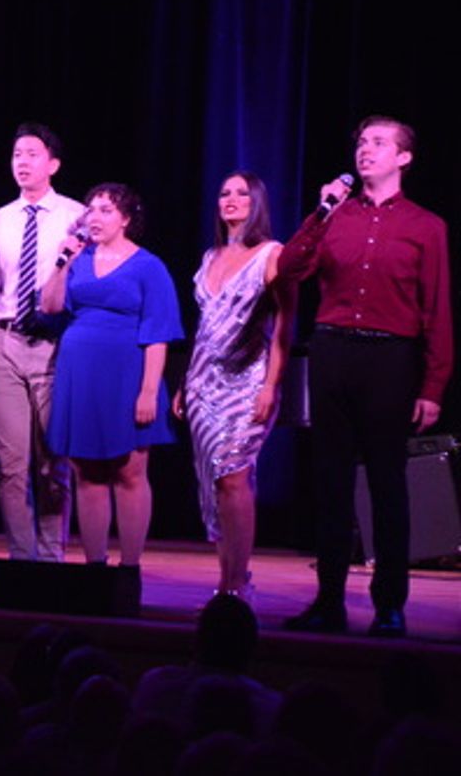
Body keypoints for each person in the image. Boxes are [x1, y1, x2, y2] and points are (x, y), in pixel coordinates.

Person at [277, 116, 451, 638]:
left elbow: (437, 310)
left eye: (379, 142)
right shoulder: (335, 215)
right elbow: (289, 268)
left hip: (390, 360)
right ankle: (328, 601)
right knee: (329, 484)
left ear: (404, 158)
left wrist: (433, 386)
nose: (365, 149)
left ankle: (389, 606)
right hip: (332, 353)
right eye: (361, 142)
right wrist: (320, 212)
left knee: (386, 486)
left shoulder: (426, 226)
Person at [42, 183, 183, 567]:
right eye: (91, 210)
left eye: (106, 210)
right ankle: (95, 567)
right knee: (86, 472)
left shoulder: (148, 266)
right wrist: (62, 263)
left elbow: (158, 334)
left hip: (127, 377)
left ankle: (130, 568)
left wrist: (149, 391)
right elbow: (51, 306)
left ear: (126, 219)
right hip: (80, 376)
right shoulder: (78, 258)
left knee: (130, 472)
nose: (95, 217)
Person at [172, 172, 295, 600]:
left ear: (257, 202)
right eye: (224, 192)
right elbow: (205, 326)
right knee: (213, 482)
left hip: (248, 380)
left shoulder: (272, 254)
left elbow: (284, 322)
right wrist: (186, 382)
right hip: (203, 382)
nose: (232, 199)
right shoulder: (210, 256)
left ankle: (235, 581)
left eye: (242, 193)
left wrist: (271, 385)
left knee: (234, 474)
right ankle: (227, 577)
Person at [0, 124, 81, 563]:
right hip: (6, 343)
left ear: (53, 164)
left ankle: (52, 555)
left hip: (54, 344)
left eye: (32, 154)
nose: (22, 161)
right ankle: (22, 558)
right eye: (17, 153)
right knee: (11, 462)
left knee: (53, 458)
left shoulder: (76, 216)